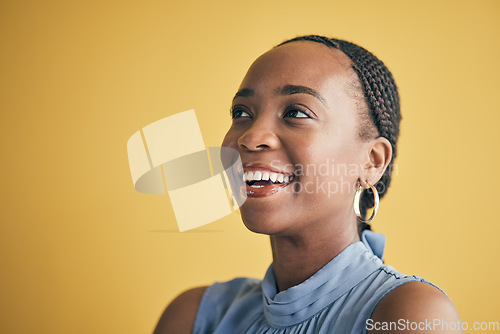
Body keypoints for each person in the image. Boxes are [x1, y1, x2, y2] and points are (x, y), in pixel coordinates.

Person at [154, 35, 462, 334]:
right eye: (242, 113)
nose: (250, 137)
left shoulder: (409, 315)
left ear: (372, 162)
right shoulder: (195, 316)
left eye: (296, 112)